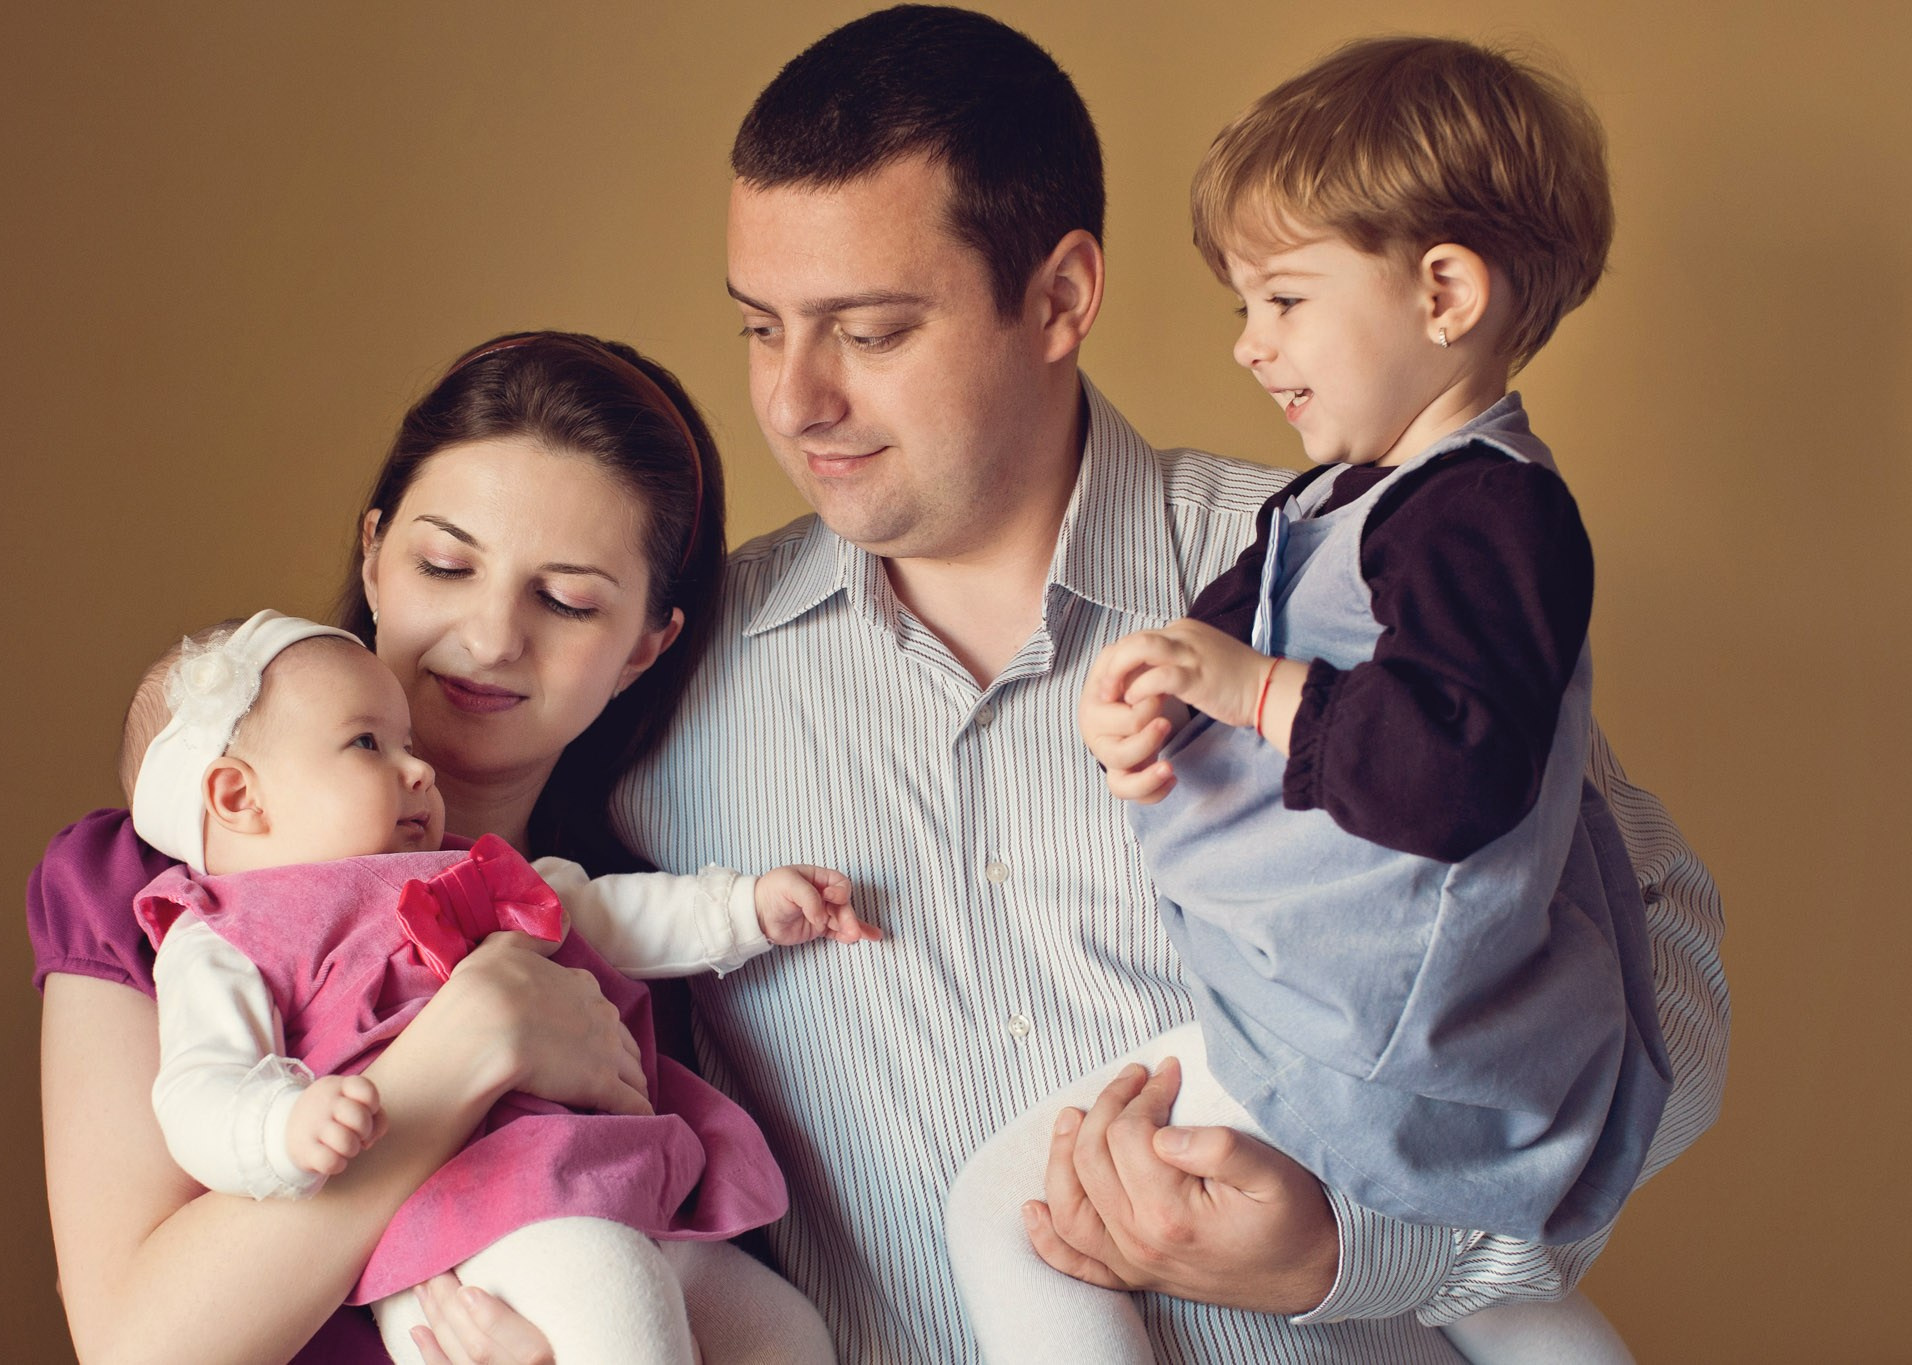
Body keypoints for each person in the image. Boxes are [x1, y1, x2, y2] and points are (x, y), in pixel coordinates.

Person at [608, 6, 1729, 1362]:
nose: (793, 400)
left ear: (1062, 297)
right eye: (759, 328)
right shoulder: (663, 677)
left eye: (872, 330)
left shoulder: (1362, 565)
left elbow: (1658, 986)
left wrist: (1356, 1249)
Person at [944, 36, 1667, 1364]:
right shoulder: (1336, 500)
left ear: (1444, 290)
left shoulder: (1489, 515)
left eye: (1282, 300)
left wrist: (1260, 686)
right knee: (1495, 1298)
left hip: (1361, 1026)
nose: (1247, 346)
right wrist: (1147, 704)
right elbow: (1206, 649)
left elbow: (1457, 776)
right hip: (1348, 1016)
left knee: (1008, 1206)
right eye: (1241, 306)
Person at [32, 331, 836, 1363]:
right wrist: (463, 1048)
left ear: (645, 644)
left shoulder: (631, 935)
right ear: (372, 554)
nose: (492, 635)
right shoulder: (157, 895)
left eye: (566, 599)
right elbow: (143, 1350)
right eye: (445, 563)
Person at [121, 609, 871, 1362]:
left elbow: (603, 912)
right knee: (620, 1304)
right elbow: (198, 1087)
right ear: (237, 796)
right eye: (367, 743)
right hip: (457, 1230)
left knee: (784, 1332)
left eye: (408, 744)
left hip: (597, 1179)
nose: (419, 769)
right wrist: (281, 1128)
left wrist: (744, 908)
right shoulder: (219, 933)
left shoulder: (464, 868)